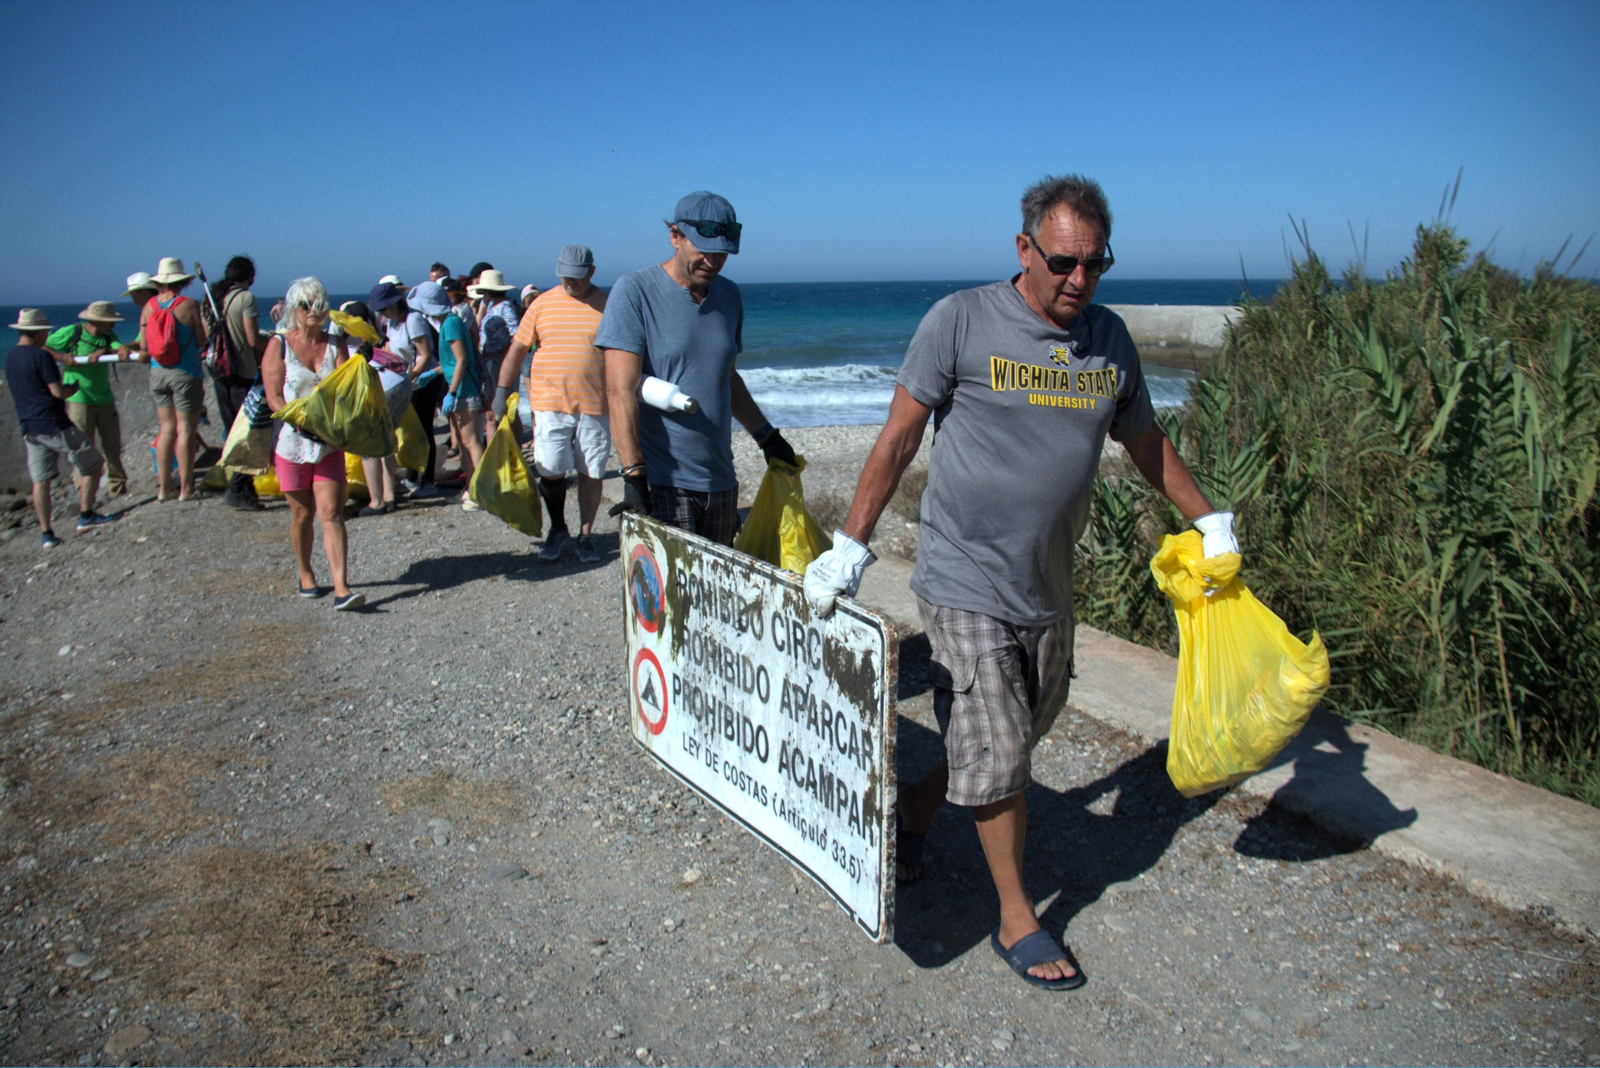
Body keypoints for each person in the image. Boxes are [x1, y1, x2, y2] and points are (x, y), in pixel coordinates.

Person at [803, 175, 1240, 991]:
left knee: (1008, 739)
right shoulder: (961, 321)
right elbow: (898, 438)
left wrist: (1207, 519)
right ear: (1024, 249)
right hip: (962, 575)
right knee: (998, 741)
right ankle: (1018, 917)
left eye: (1096, 264)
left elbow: (1144, 442)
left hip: (1048, 583)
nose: (1079, 281)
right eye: (1064, 262)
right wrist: (850, 547)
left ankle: (912, 815)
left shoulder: (1108, 340)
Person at [598, 191, 795, 545]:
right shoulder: (635, 291)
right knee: (670, 598)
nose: (712, 260)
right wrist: (633, 476)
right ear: (675, 236)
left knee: (714, 598)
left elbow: (727, 378)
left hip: (720, 481)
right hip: (663, 482)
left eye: (722, 252)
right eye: (702, 248)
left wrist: (767, 436)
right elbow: (619, 388)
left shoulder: (729, 296)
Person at [494, 244, 608, 562]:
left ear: (591, 272)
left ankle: (586, 535)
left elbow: (624, 352)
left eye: (576, 277)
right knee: (551, 468)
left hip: (597, 403)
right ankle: (558, 528)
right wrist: (502, 393)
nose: (569, 282)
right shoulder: (542, 305)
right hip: (550, 401)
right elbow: (517, 349)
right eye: (564, 276)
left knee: (592, 471)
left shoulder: (608, 304)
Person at [261, 276, 364, 611]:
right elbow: (274, 397)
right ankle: (306, 573)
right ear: (294, 308)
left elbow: (345, 387)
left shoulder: (335, 343)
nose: (314, 311)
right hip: (292, 443)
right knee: (302, 514)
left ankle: (341, 587)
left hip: (328, 443)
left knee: (332, 513)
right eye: (307, 305)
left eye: (320, 304)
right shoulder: (279, 345)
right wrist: (301, 420)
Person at [6, 309, 111, 547]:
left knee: (41, 480)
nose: (47, 334)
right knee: (94, 464)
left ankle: (46, 533)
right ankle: (86, 515)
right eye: (45, 330)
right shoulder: (40, 356)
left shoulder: (11, 356)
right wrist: (72, 387)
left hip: (29, 426)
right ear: (38, 332)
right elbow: (57, 391)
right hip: (53, 422)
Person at [139, 256, 210, 501]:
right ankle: (186, 488)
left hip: (157, 373)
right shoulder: (188, 305)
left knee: (166, 429)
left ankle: (163, 488)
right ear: (182, 281)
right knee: (186, 430)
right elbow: (201, 340)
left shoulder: (149, 307)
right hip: (185, 373)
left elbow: (143, 345)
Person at [46, 301, 131, 500]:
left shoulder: (108, 335)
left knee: (112, 445)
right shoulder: (72, 332)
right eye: (110, 322)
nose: (113, 326)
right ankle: (82, 492)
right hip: (79, 399)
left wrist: (118, 351)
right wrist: (61, 357)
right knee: (82, 448)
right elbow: (42, 346)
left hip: (104, 398)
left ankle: (117, 489)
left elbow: (119, 347)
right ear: (97, 321)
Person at [411, 281, 485, 508]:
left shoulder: (450, 324)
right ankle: (470, 489)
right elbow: (454, 361)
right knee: (464, 443)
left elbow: (462, 359)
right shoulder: (450, 321)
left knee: (471, 442)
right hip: (461, 387)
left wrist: (451, 392)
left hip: (464, 390)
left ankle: (481, 492)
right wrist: (432, 373)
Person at [369, 281, 442, 498]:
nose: (382, 313)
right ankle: (412, 474)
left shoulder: (413, 320)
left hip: (424, 381)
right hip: (405, 379)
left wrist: (409, 377)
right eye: (379, 310)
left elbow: (426, 354)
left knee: (424, 428)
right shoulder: (393, 323)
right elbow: (392, 349)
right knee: (409, 430)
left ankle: (427, 480)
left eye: (385, 308)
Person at [209, 255, 270, 510]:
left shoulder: (211, 298)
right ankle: (238, 488)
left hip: (219, 372)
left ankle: (244, 489)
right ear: (250, 275)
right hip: (242, 371)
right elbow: (253, 339)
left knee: (232, 432)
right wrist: (278, 345)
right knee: (247, 433)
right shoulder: (244, 298)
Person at [470, 269, 519, 411]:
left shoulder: (505, 307)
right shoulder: (493, 306)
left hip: (500, 361)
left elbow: (515, 334)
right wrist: (483, 305)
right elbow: (477, 326)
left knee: (504, 405)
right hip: (491, 360)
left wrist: (499, 353)